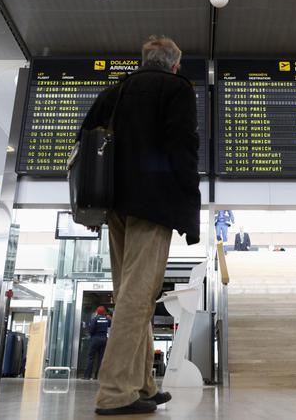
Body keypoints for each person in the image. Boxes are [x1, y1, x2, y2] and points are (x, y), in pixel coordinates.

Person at [79, 35, 200, 416]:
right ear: (175, 65)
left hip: (113, 204)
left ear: (144, 60)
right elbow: (183, 148)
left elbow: (84, 141)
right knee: (138, 295)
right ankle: (115, 392)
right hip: (152, 204)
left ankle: (142, 384)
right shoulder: (177, 89)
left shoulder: (114, 91)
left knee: (133, 293)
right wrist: (190, 207)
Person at [84, 306, 111, 380]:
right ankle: (98, 376)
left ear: (97, 312)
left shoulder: (94, 319)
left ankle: (87, 376)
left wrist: (91, 335)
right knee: (101, 358)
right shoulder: (107, 319)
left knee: (91, 357)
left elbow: (91, 329)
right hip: (104, 339)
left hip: (95, 339)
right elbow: (111, 326)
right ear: (104, 312)